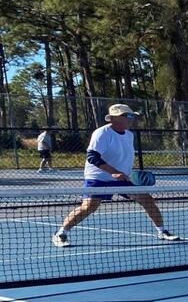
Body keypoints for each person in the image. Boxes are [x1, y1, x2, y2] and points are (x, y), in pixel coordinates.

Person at [52, 105, 179, 248]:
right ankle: (60, 234)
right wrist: (112, 172)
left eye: (132, 116)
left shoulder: (129, 135)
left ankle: (162, 231)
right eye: (128, 116)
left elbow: (122, 157)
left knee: (147, 200)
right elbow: (92, 157)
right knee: (89, 207)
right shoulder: (102, 133)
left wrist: (129, 174)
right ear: (114, 118)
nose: (131, 119)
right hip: (98, 177)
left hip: (123, 178)